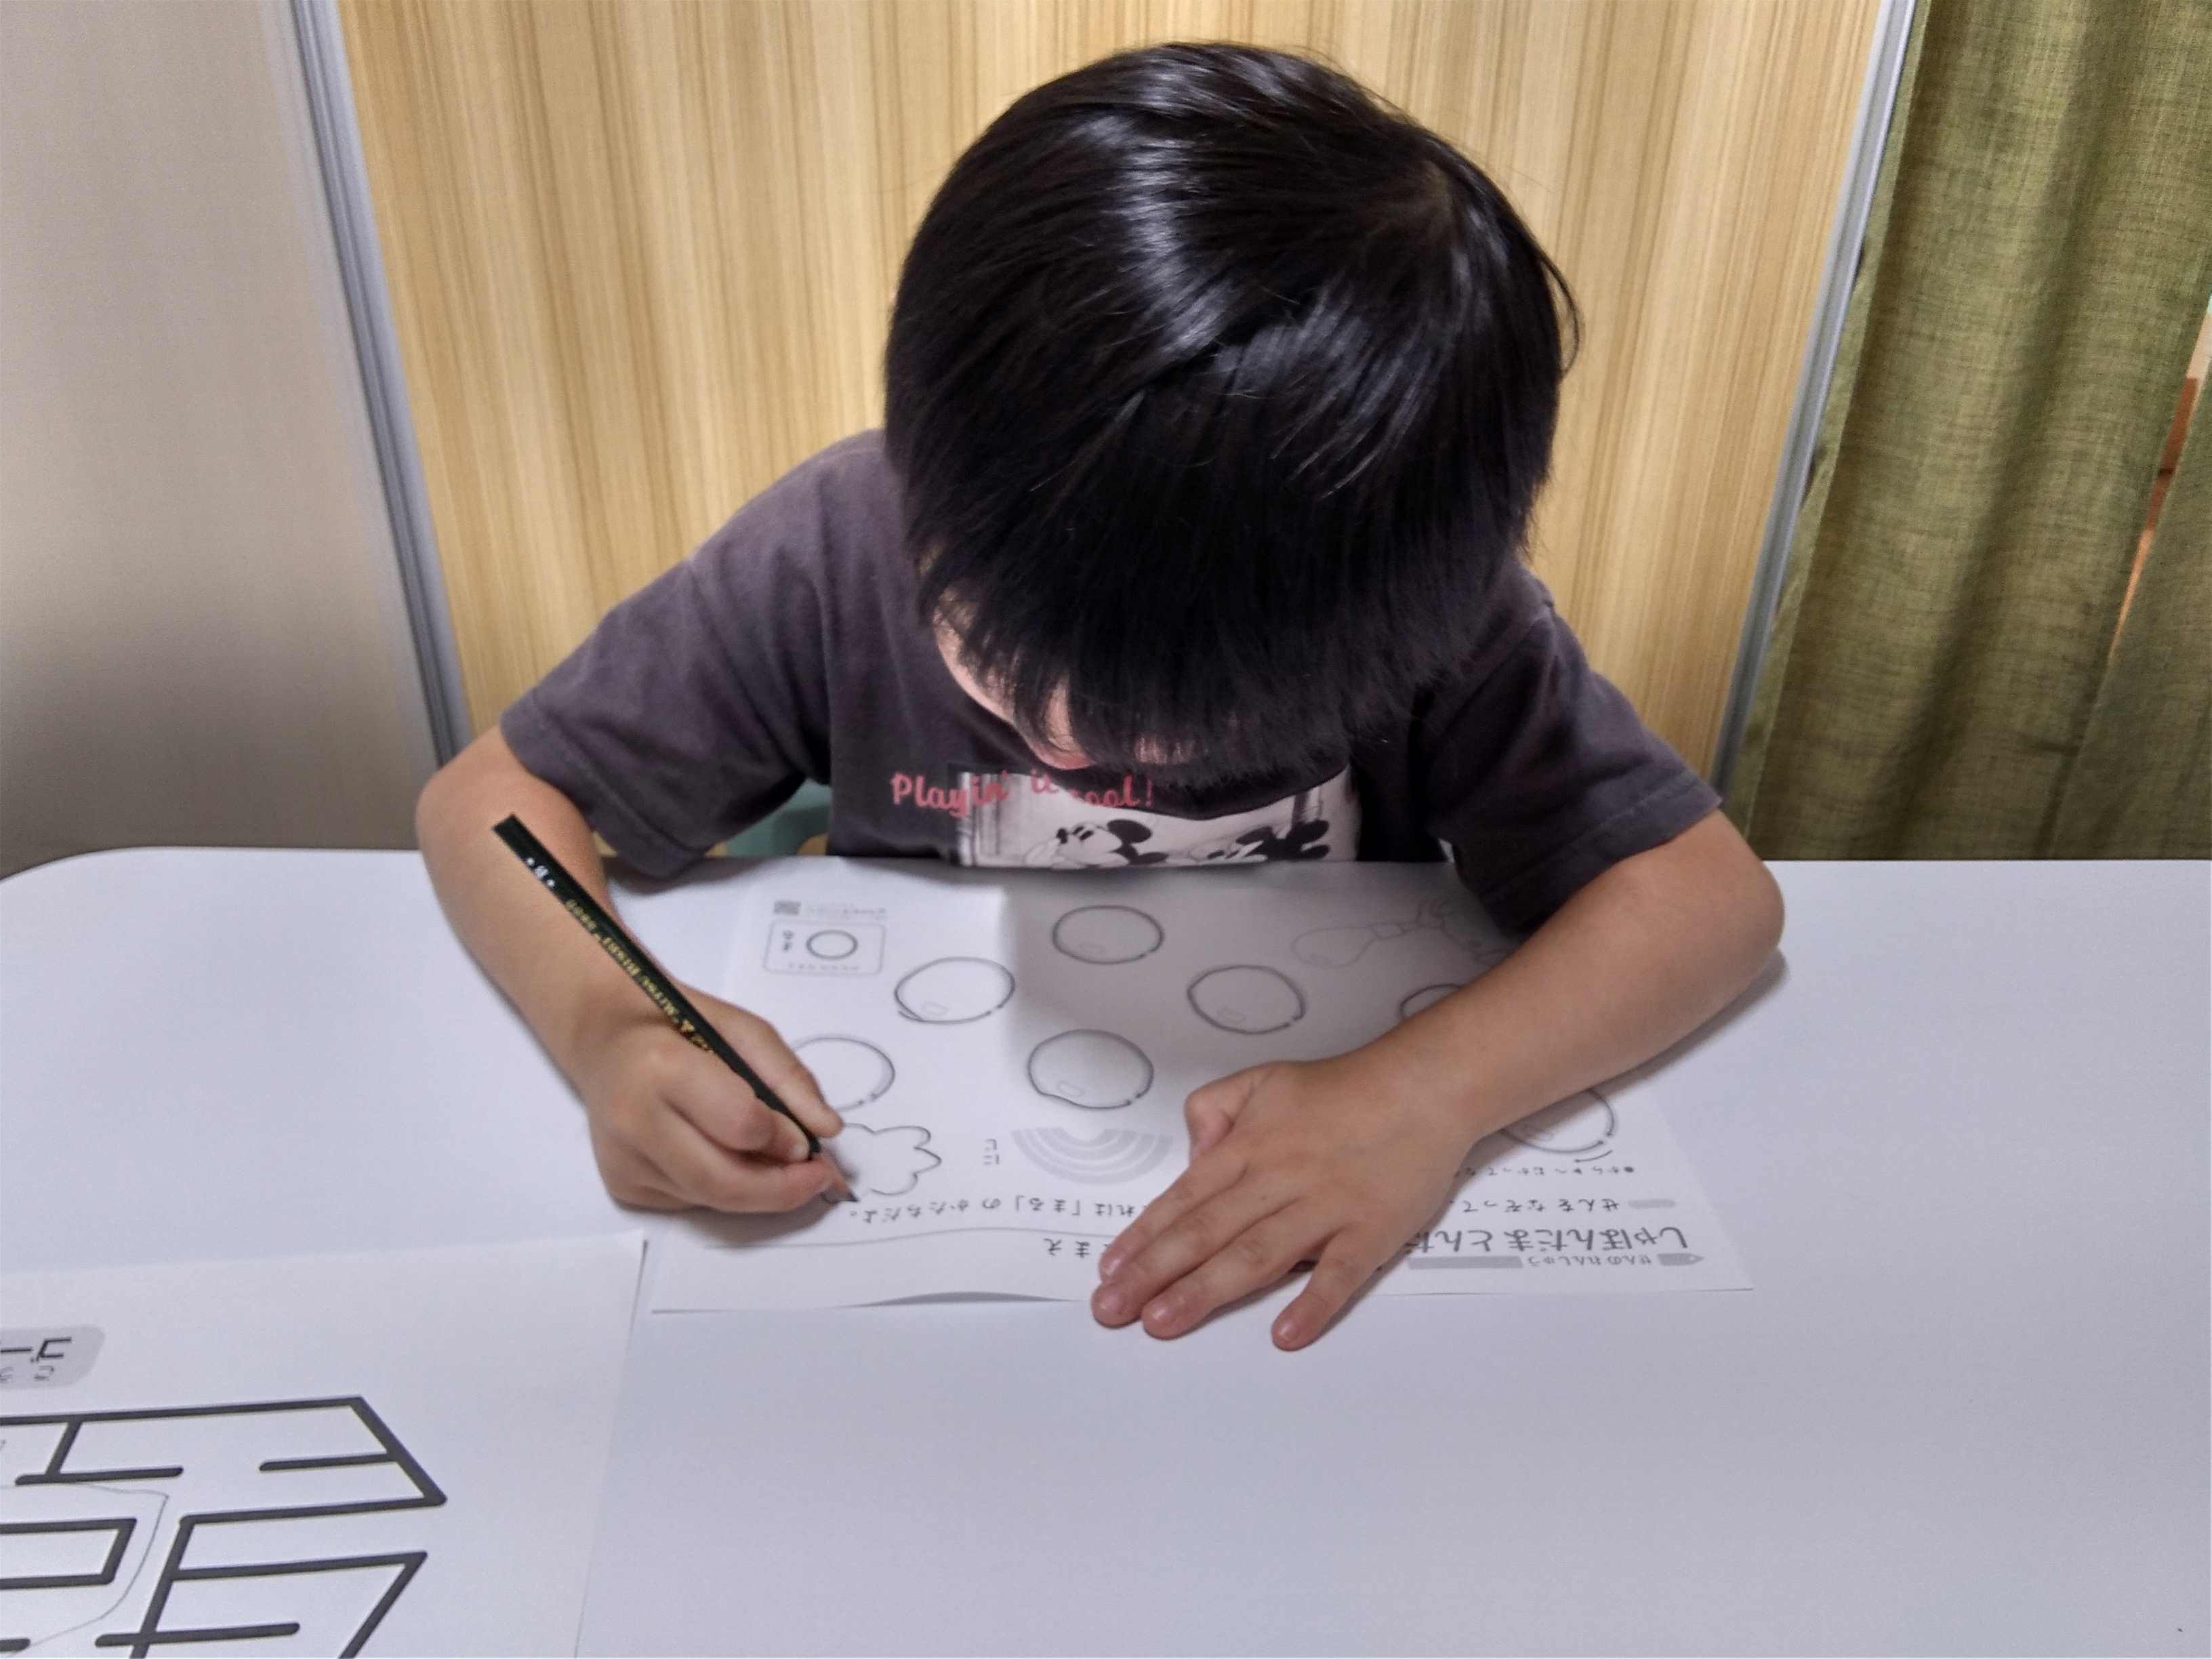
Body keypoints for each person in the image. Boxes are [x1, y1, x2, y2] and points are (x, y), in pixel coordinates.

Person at [416, 41, 1783, 1349]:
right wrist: (611, 1022)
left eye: (1180, 722)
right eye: (993, 653)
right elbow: (491, 803)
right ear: (931, 484)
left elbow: (1712, 900)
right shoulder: (836, 543)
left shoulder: (1440, 608)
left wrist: (1430, 1092)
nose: (1070, 739)